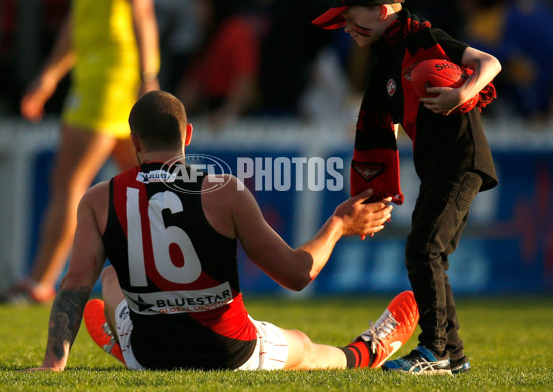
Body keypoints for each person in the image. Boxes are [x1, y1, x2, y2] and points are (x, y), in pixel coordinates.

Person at [27, 90, 419, 371]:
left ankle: (125, 346)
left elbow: (75, 283)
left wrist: (53, 363)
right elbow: (298, 274)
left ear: (134, 142)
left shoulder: (98, 198)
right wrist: (338, 224)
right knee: (302, 345)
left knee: (110, 278)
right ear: (189, 135)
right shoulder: (224, 191)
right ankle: (365, 352)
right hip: (230, 353)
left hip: (151, 358)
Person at [312, 0, 501, 375]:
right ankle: (453, 355)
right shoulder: (384, 62)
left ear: (382, 11)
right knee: (431, 253)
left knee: (424, 250)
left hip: (461, 160)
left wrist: (462, 92)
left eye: (350, 17)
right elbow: (384, 129)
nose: (345, 27)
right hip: (437, 166)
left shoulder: (422, 37)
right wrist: (374, 193)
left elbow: (490, 63)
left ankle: (436, 351)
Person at [0, 0, 161, 304]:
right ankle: (186, 274)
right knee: (144, 183)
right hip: (98, 72)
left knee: (70, 180)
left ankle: (38, 283)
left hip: (111, 76)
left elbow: (141, 6)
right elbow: (80, 18)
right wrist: (50, 75)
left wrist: (147, 74)